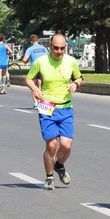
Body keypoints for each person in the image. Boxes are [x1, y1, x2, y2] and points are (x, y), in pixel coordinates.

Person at [25, 34, 83, 190]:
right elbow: (28, 78)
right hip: (47, 107)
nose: (59, 51)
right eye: (56, 48)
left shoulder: (71, 61)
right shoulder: (41, 62)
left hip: (65, 107)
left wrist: (76, 84)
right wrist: (35, 88)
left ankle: (59, 165)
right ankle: (49, 177)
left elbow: (79, 77)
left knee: (66, 146)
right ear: (50, 47)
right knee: (51, 146)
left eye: (62, 48)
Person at [23, 35, 49, 109]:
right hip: (43, 68)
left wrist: (27, 60)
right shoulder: (44, 48)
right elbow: (49, 57)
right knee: (40, 86)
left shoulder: (30, 49)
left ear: (31, 41)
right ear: (38, 40)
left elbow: (25, 60)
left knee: (33, 86)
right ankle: (42, 102)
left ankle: (35, 103)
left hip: (34, 69)